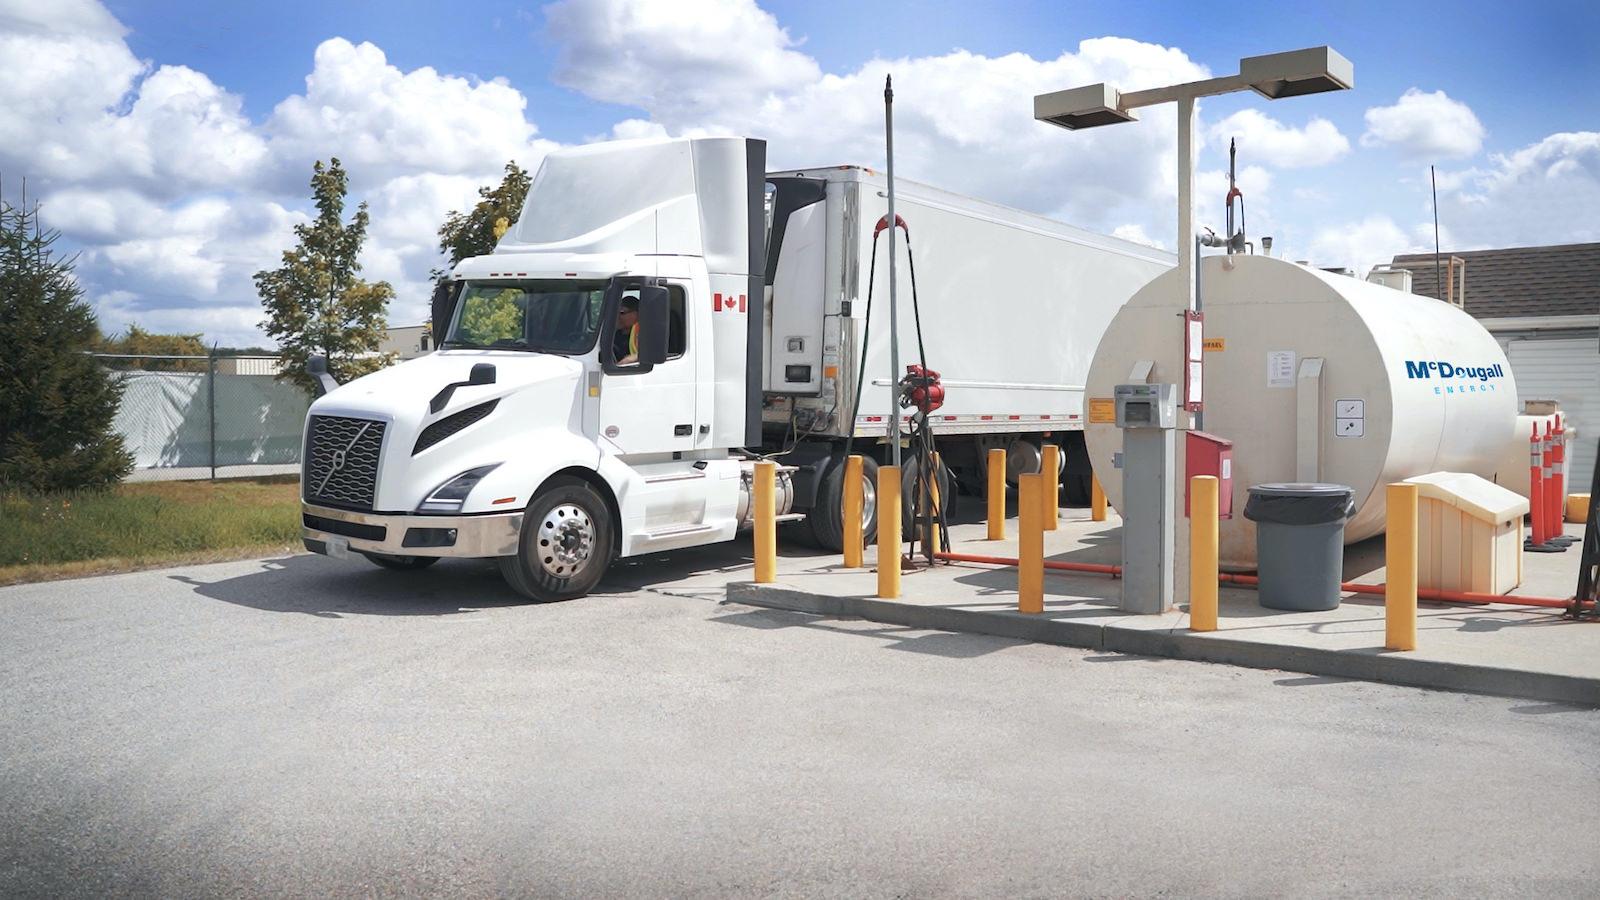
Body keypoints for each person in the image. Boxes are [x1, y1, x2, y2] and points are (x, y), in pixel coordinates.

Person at [613, 295, 640, 364]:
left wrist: (635, 357)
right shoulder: (611, 335)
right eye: (615, 313)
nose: (617, 316)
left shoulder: (643, 334)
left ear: (636, 314)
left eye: (622, 312)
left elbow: (653, 353)